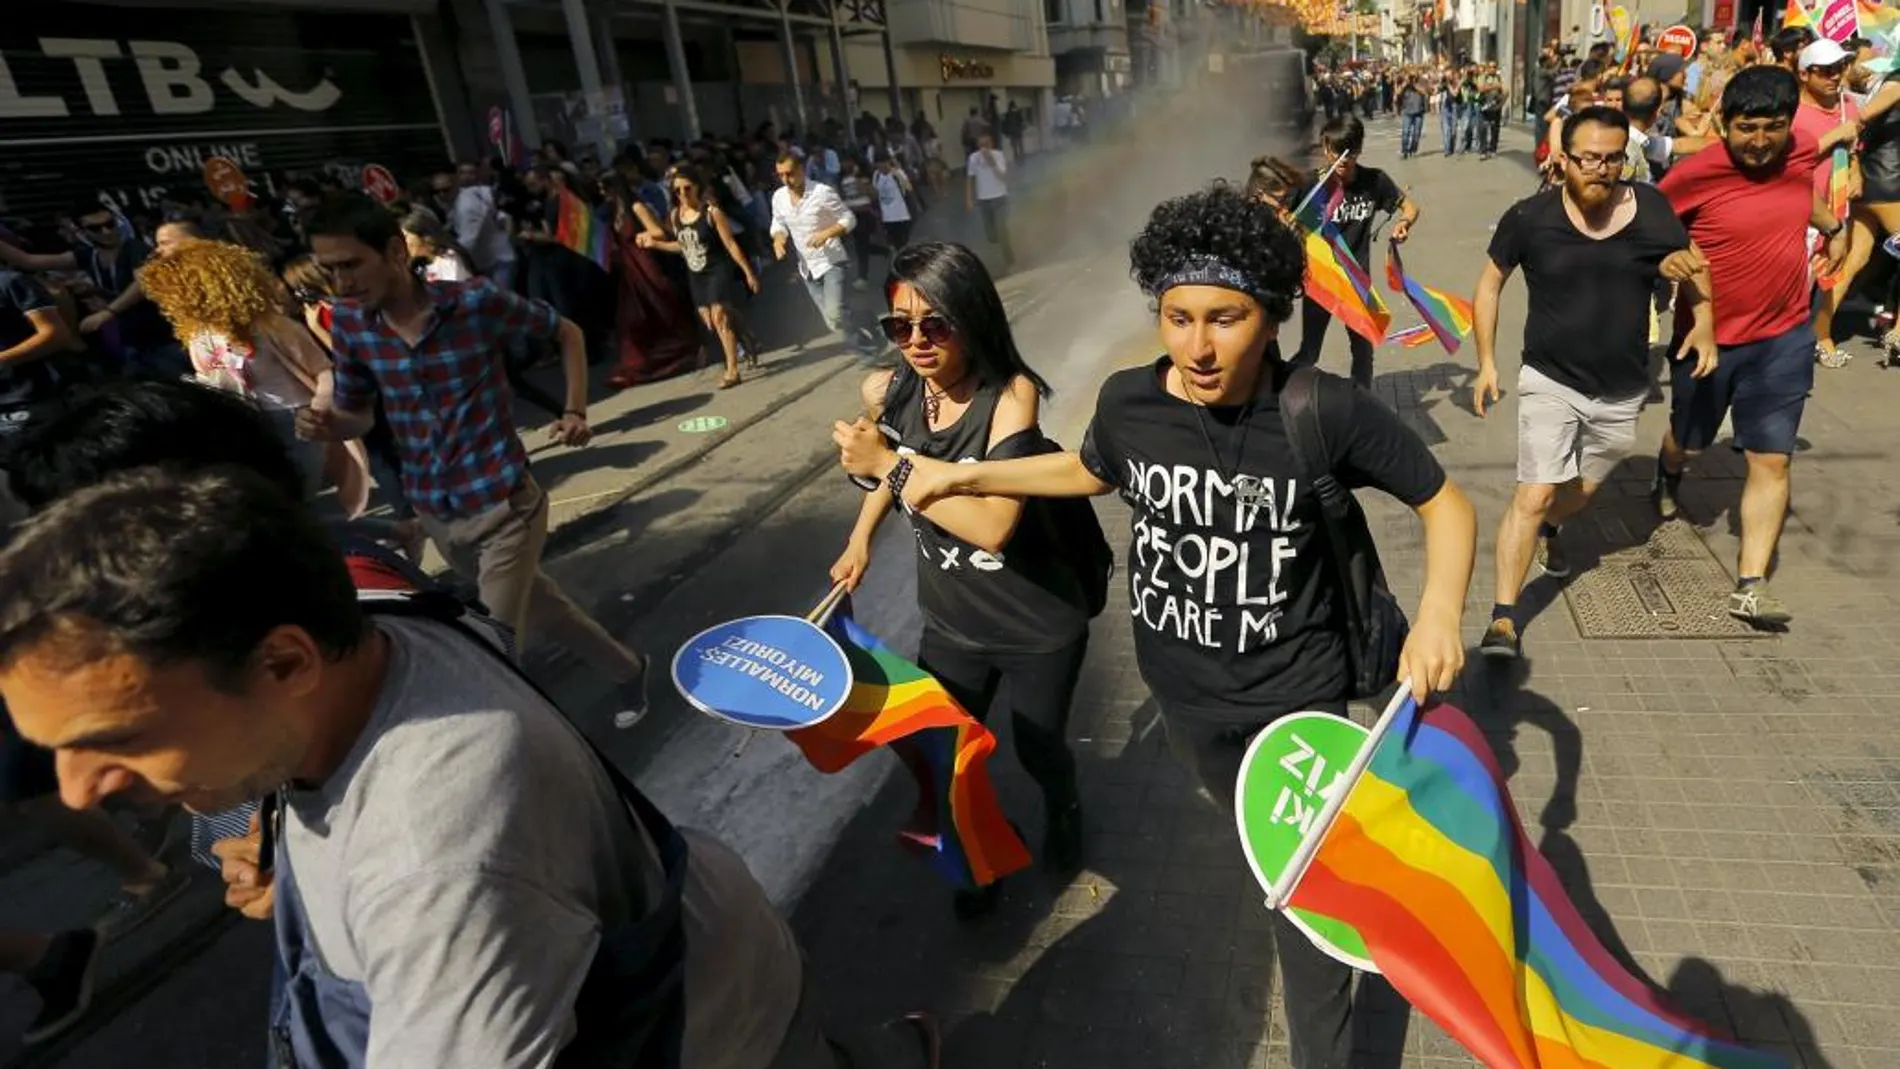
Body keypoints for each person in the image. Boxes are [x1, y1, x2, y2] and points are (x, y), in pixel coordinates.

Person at [0, 462, 938, 1069]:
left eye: (113, 738)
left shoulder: (435, 862)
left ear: (285, 661)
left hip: (705, 1031)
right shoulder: (365, 608)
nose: (77, 791)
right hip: (712, 948)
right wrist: (275, 825)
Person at [894, 184, 1475, 1069]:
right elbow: (1087, 472)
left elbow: (1445, 503)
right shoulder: (1131, 404)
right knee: (1262, 861)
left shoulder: (1322, 410)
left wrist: (1437, 617)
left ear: (1273, 318)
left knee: (1303, 901)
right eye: (1178, 316)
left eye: (1227, 317)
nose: (1199, 346)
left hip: (1295, 707)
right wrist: (963, 479)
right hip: (1186, 703)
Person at [294, 193, 655, 724]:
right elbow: (358, 418)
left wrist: (575, 409)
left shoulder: (473, 302)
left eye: (351, 265)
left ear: (395, 251)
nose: (342, 283)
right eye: (329, 271)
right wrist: (327, 426)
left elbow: (567, 333)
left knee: (491, 648)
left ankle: (547, 767)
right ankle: (628, 670)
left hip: (506, 504)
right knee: (546, 610)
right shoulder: (350, 324)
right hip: (440, 514)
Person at [829, 242, 1094, 918]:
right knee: (943, 757)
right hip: (951, 621)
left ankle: (1062, 806)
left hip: (1036, 623)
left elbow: (994, 526)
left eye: (935, 323)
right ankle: (981, 859)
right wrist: (860, 538)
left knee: (1038, 748)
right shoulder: (889, 391)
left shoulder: (1011, 395)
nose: (916, 341)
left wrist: (887, 461)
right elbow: (896, 474)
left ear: (971, 316)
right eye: (900, 325)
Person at [1471, 106, 1717, 658]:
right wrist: (1486, 361)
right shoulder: (1529, 218)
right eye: (1589, 159)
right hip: (1549, 378)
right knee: (1533, 494)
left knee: (1575, 495)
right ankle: (1503, 619)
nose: (1601, 170)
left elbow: (1691, 264)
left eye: (1613, 159)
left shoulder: (1651, 208)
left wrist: (1703, 324)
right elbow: (1489, 285)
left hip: (1622, 388)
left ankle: (1552, 533)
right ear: (1564, 160)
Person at [1655, 65, 1848, 627]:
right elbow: (1649, 229)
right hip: (1708, 342)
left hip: (1785, 337)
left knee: (1771, 460)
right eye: (1747, 128)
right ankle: (1668, 472)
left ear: (1791, 123)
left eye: (1773, 127)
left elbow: (1800, 194)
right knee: (1688, 442)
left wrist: (1833, 228)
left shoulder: (1800, 150)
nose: (1760, 141)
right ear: (1723, 122)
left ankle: (1751, 582)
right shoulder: (1696, 174)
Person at [136, 239, 371, 516]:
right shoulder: (198, 336)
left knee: (295, 502)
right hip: (245, 423)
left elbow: (323, 370)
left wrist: (320, 406)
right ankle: (398, 530)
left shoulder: (272, 326)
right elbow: (208, 379)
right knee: (276, 507)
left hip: (293, 418)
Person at [1294, 115, 1421, 388]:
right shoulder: (1312, 185)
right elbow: (1283, 217)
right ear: (1325, 148)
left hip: (1358, 282)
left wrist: (1403, 224)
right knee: (1310, 351)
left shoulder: (1374, 181)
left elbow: (1411, 207)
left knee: (1363, 353)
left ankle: (1361, 403)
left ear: (1359, 149)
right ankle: (1278, 396)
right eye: (1332, 150)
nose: (1339, 159)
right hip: (1322, 280)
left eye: (1346, 152)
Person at [638, 165, 761, 389]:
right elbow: (684, 246)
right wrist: (656, 244)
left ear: (697, 187)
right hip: (696, 273)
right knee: (712, 321)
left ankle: (732, 371)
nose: (683, 194)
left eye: (687, 189)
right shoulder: (676, 216)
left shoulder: (712, 213)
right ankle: (745, 333)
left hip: (717, 268)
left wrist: (747, 271)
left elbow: (730, 244)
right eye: (677, 191)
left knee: (719, 316)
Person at [1794, 38, 1868, 368]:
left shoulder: (1847, 105)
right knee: (1795, 281)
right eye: (1824, 71)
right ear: (1804, 74)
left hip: (1837, 210)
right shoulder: (1791, 112)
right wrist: (1835, 136)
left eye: (1839, 69)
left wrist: (1855, 172)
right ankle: (1784, 345)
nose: (1834, 77)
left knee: (1830, 275)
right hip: (1800, 210)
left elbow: (1854, 152)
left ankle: (1820, 336)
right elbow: (1788, 160)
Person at [770, 154, 885, 356]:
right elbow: (778, 222)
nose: (786, 180)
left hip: (831, 260)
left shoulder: (822, 193)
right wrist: (778, 240)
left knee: (835, 314)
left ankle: (867, 349)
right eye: (781, 175)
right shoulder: (779, 197)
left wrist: (827, 234)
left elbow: (849, 219)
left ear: (801, 170)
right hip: (807, 268)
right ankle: (868, 322)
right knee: (834, 322)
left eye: (790, 173)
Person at [965, 133, 1014, 271]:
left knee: (1001, 230)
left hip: (1000, 198)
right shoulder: (973, 159)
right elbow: (969, 179)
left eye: (986, 145)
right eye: (981, 146)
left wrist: (992, 163)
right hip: (984, 201)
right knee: (991, 236)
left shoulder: (998, 156)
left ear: (991, 144)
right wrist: (968, 199)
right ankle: (1003, 239)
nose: (983, 149)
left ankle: (1010, 261)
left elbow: (1003, 177)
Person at [399, 210, 476, 283]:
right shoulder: (420, 267)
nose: (404, 243)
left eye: (406, 237)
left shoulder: (449, 260)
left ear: (423, 235)